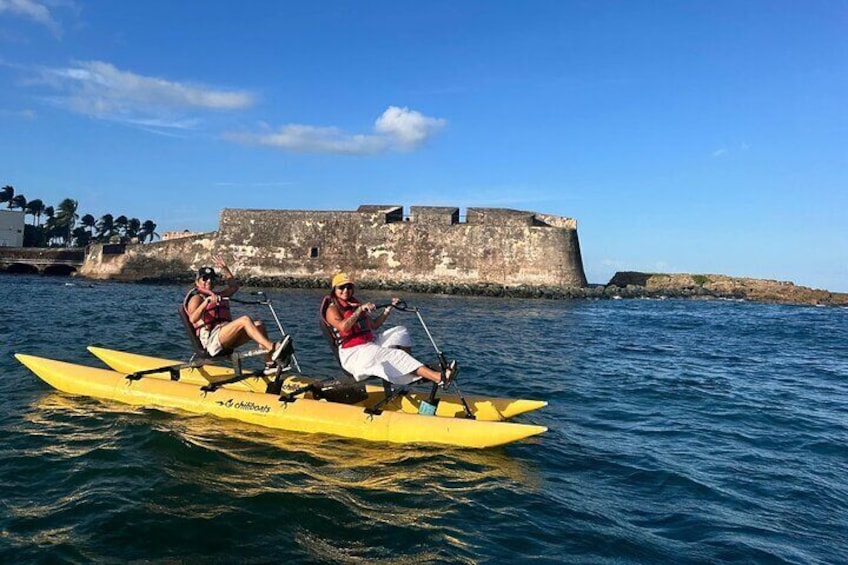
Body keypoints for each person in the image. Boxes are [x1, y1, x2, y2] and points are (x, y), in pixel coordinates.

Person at [322, 273, 457, 387]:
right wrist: (359, 310)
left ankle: (407, 371)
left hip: (369, 345)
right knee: (395, 355)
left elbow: (374, 325)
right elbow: (343, 327)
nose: (346, 290)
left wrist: (389, 309)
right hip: (353, 354)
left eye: (349, 287)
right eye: (342, 287)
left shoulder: (355, 304)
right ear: (334, 289)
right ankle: (439, 378)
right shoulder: (332, 309)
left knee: (400, 332)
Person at [183, 255, 289, 374]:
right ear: (197, 281)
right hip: (211, 342)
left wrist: (225, 269)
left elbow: (234, 287)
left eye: (212, 278)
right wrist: (206, 302)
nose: (209, 281)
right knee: (244, 320)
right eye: (205, 278)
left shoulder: (218, 296)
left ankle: (270, 363)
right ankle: (272, 348)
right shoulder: (196, 298)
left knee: (259, 325)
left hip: (225, 339)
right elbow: (193, 319)